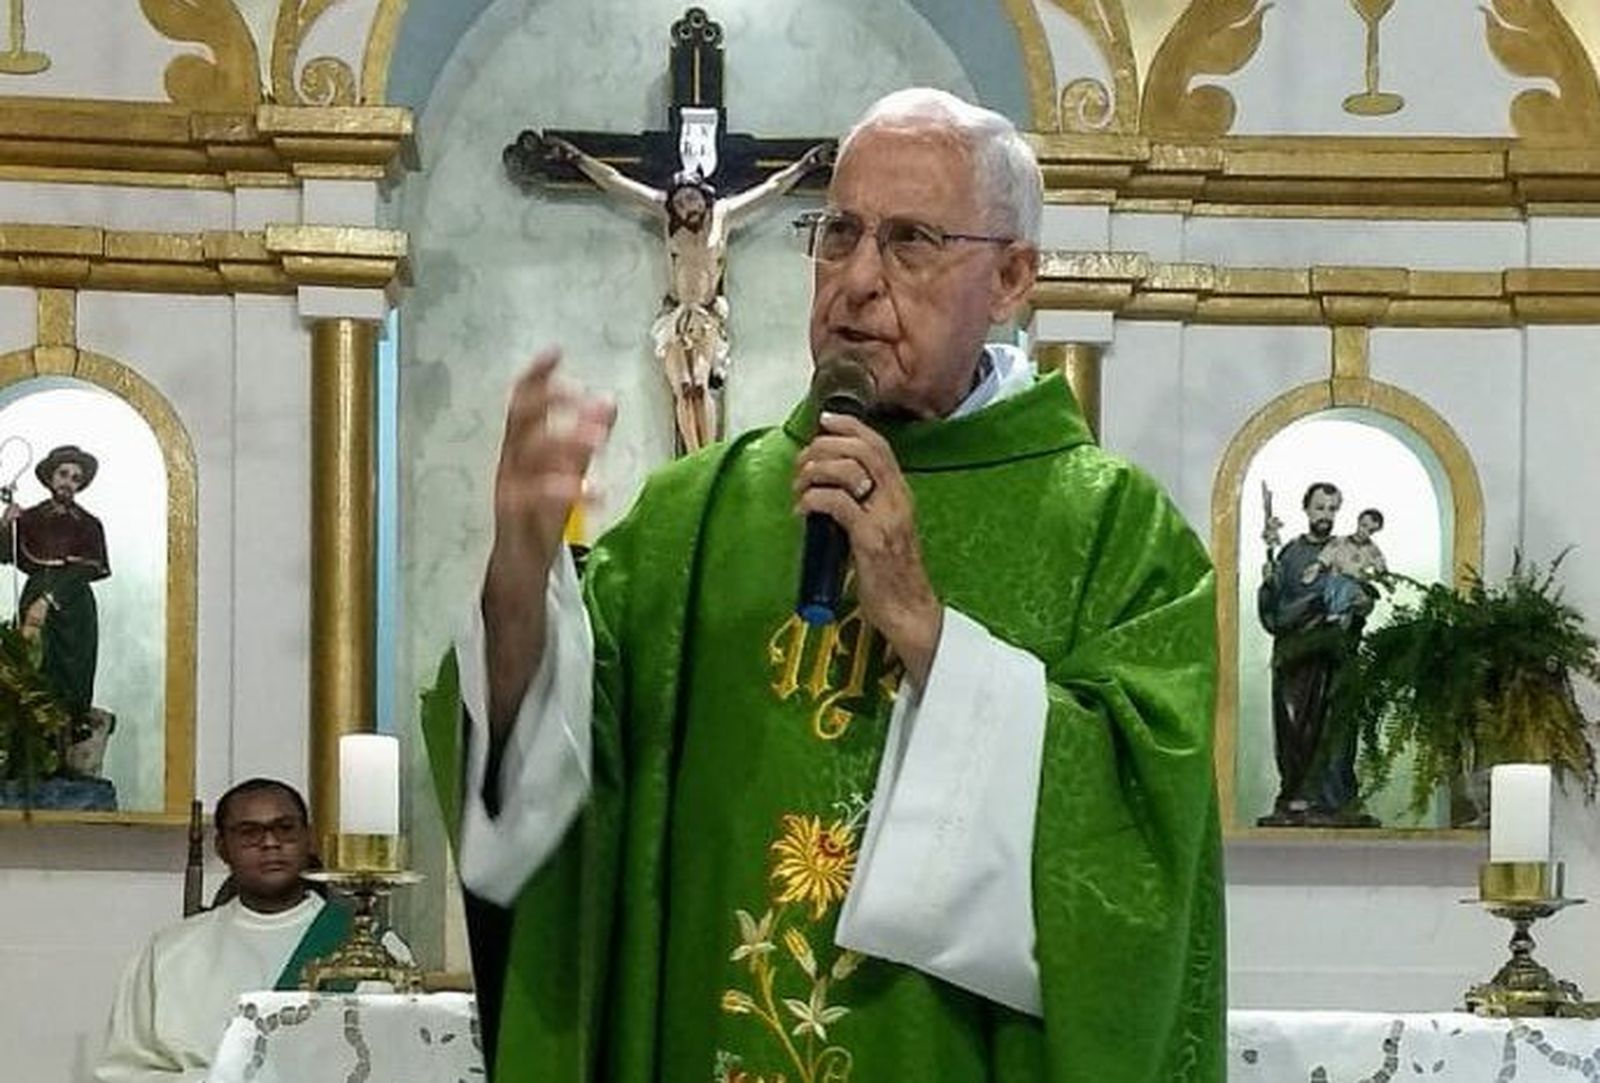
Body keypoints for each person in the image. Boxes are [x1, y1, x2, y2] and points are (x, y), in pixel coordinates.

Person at [425, 88, 1223, 1083]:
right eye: (837, 233)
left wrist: (929, 633)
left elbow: (1140, 846)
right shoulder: (694, 512)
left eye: (911, 241)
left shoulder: (1115, 531)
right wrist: (514, 583)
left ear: (1012, 277)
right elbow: (550, 795)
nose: (855, 281)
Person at [541, 133, 832, 452]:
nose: (685, 207)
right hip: (676, 314)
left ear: (703, 197)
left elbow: (772, 188)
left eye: (690, 199)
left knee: (699, 384)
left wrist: (804, 166)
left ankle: (705, 453)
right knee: (682, 386)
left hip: (706, 316)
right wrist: (578, 159)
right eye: (679, 202)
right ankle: (693, 456)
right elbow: (616, 182)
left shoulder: (723, 215)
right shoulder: (667, 218)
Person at [94, 779, 349, 1083]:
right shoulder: (169, 952)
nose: (270, 843)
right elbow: (121, 1073)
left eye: (285, 828)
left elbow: (400, 1057)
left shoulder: (362, 948)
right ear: (222, 848)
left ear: (309, 839)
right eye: (249, 832)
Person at [1258, 483, 1375, 826]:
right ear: (1306, 509)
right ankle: (1296, 795)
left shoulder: (1346, 551)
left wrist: (1358, 602)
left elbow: (1365, 594)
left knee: (1334, 730)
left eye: (1332, 509)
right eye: (1319, 507)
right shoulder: (1290, 553)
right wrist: (1268, 585)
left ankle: (1333, 800)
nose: (1325, 515)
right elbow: (1273, 610)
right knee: (1295, 729)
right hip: (1296, 660)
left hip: (1334, 658)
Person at [0, 443, 109, 717]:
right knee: (34, 666)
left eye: (76, 478)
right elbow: (5, 554)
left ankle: (73, 724)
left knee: (74, 669)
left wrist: (48, 600)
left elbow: (84, 570)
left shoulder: (89, 524)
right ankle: (35, 739)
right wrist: (5, 524)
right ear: (51, 477)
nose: (68, 483)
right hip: (34, 591)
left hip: (72, 604)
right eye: (63, 474)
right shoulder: (30, 518)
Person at [1310, 507, 1387, 628]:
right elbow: (1324, 558)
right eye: (1364, 525)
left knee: (1361, 596)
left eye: (1371, 530)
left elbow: (1381, 569)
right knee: (1341, 585)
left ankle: (1344, 614)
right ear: (1359, 521)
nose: (1365, 531)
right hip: (1334, 581)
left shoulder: (1373, 550)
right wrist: (1316, 568)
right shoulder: (1339, 542)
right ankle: (1336, 612)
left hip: (1355, 584)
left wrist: (1383, 577)